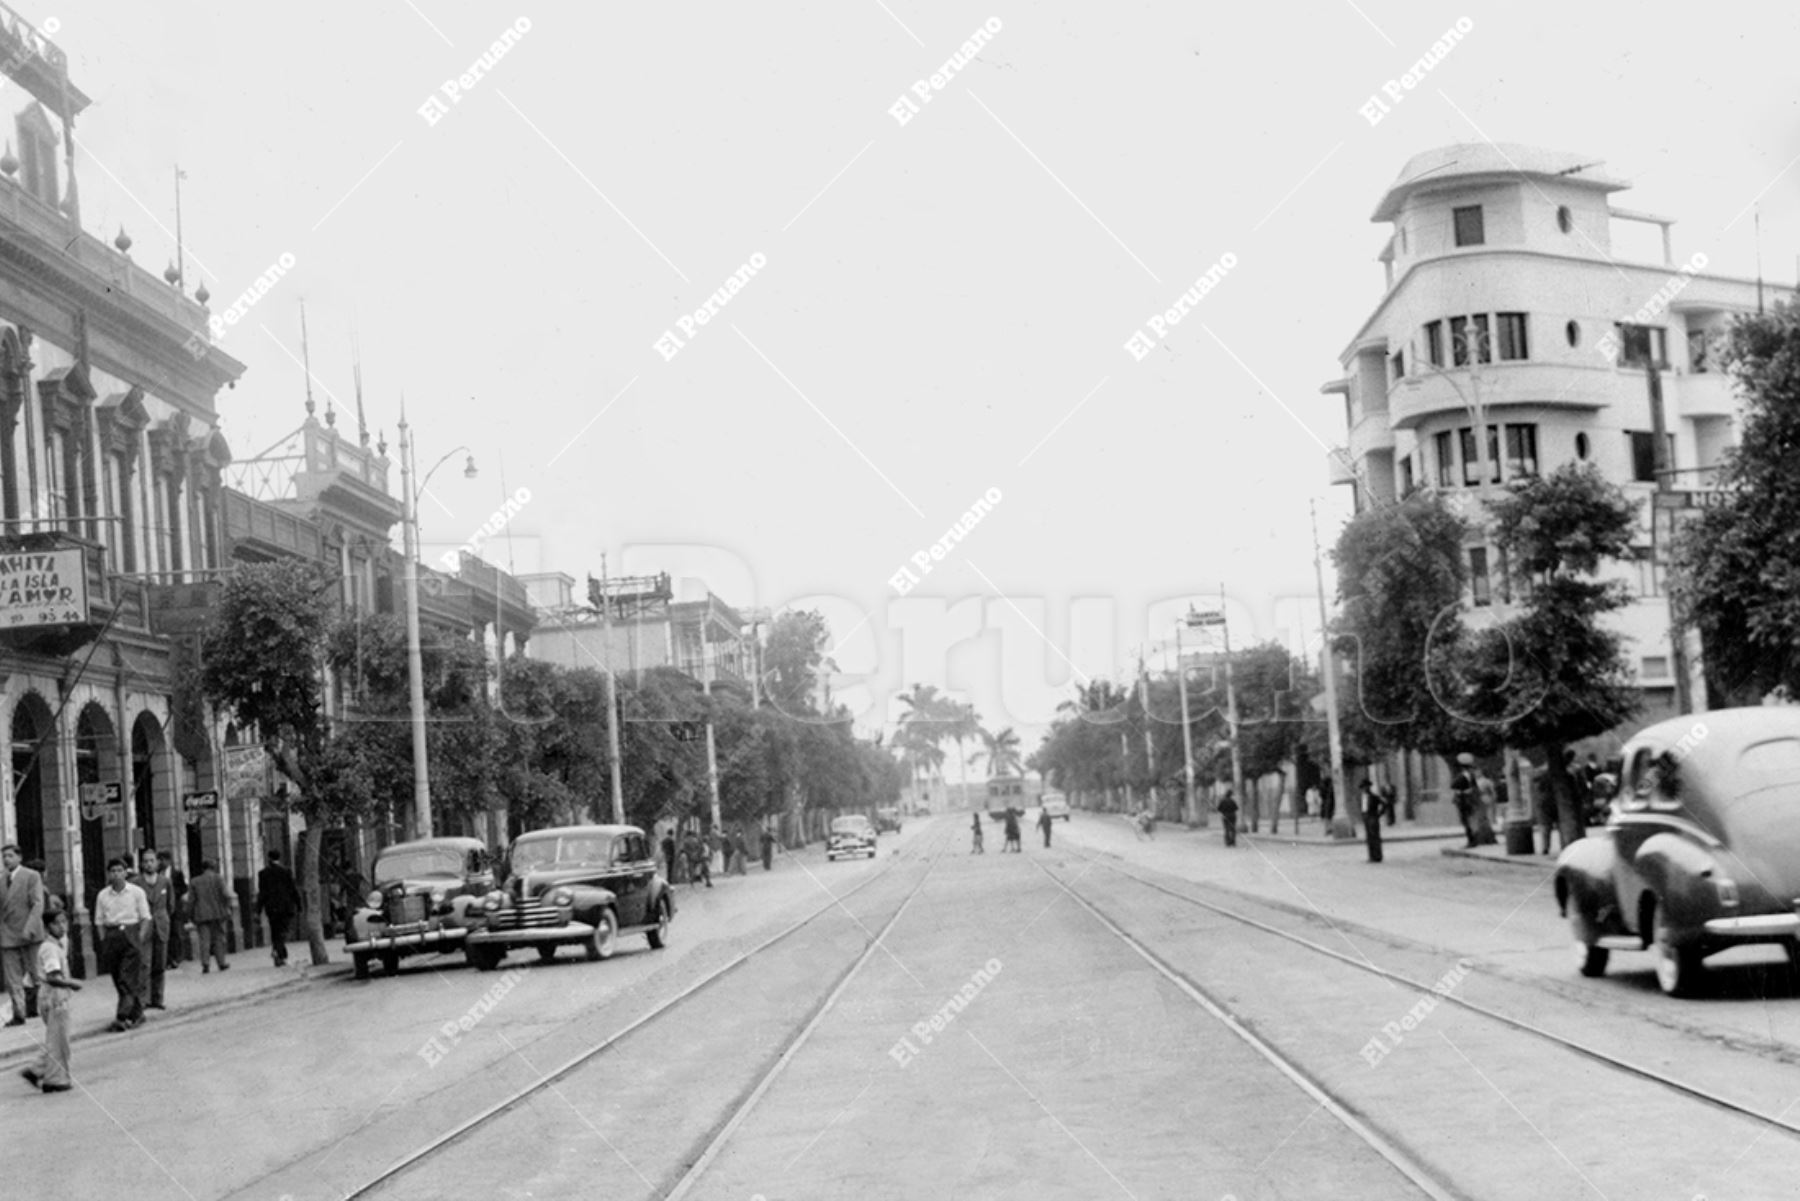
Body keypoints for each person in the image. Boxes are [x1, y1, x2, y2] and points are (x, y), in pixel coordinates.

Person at [21, 901, 78, 1093]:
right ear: (47, 927)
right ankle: (55, 1079)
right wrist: (72, 983)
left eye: (64, 922)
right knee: (60, 1042)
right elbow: (53, 977)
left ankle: (37, 1069)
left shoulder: (58, 944)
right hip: (55, 997)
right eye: (57, 923)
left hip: (54, 996)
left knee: (55, 1038)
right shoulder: (49, 948)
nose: (62, 927)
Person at [94, 858, 150, 1031]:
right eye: (113, 871)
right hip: (112, 934)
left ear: (126, 872)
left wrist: (139, 937)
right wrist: (104, 939)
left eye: (119, 870)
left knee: (127, 977)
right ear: (108, 874)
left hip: (130, 932)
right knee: (118, 976)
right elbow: (99, 921)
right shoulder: (103, 895)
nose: (116, 874)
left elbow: (145, 917)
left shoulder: (136, 892)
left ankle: (122, 1016)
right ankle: (137, 1013)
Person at [1, 843, 45, 1026]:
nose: (6, 860)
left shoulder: (31, 876)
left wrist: (30, 928)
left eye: (10, 856)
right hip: (6, 935)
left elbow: (37, 903)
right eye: (4, 857)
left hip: (29, 933)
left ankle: (47, 1006)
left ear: (19, 857)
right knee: (13, 978)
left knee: (37, 974)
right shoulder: (1, 879)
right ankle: (19, 1013)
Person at [132, 850, 173, 1010]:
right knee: (144, 964)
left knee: (160, 963)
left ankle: (158, 998)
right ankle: (143, 999)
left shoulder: (165, 882)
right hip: (144, 927)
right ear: (142, 864)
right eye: (145, 861)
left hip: (161, 926)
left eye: (151, 861)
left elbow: (171, 905)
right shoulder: (136, 883)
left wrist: (163, 919)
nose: (149, 864)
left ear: (157, 863)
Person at [257, 850, 301, 967]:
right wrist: (299, 904)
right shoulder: (286, 871)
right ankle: (280, 953)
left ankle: (278, 952)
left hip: (271, 907)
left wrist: (258, 909)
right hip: (286, 907)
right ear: (279, 858)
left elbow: (262, 893)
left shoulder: (263, 873)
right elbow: (293, 889)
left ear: (268, 858)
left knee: (275, 930)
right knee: (283, 930)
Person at [188, 860, 232, 973]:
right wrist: (227, 907)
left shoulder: (194, 881)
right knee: (219, 939)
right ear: (213, 867)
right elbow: (226, 895)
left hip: (201, 914)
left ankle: (205, 964)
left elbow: (191, 900)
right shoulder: (219, 878)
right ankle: (221, 962)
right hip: (218, 913)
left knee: (204, 940)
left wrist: (190, 914)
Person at [162, 852, 190, 969]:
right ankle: (167, 959)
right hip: (163, 908)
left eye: (162, 860)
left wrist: (173, 893)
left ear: (168, 860)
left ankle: (177, 957)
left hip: (175, 907)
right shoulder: (158, 873)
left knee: (176, 932)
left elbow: (184, 888)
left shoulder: (176, 873)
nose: (161, 863)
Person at [1362, 780, 1389, 863]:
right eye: (1363, 787)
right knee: (1369, 838)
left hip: (1373, 817)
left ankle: (1377, 856)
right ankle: (1371, 856)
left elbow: (1384, 803)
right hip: (1366, 817)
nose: (1364, 789)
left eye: (1366, 787)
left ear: (1369, 787)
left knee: (1375, 837)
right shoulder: (1363, 797)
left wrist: (1379, 814)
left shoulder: (1374, 796)